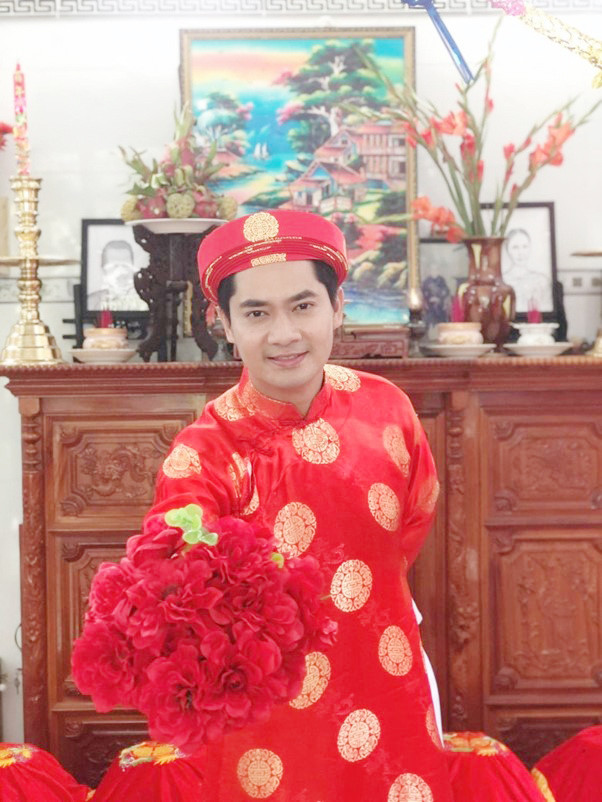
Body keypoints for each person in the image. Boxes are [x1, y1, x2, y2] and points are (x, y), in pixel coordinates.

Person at [133, 209, 452, 800]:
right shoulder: (203, 455)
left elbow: (411, 524)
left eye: (303, 306)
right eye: (257, 313)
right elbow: (180, 587)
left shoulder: (388, 409)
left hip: (385, 677)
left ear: (337, 308)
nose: (284, 334)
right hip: (266, 722)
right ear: (224, 323)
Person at [87, 239, 148, 312]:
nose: (121, 272)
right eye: (114, 266)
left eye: (125, 266)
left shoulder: (147, 301)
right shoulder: (91, 303)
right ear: (103, 271)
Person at [502, 228, 553, 314]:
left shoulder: (541, 280)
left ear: (530, 248)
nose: (520, 253)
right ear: (507, 249)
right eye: (515, 247)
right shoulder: (503, 281)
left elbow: (546, 308)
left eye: (525, 246)